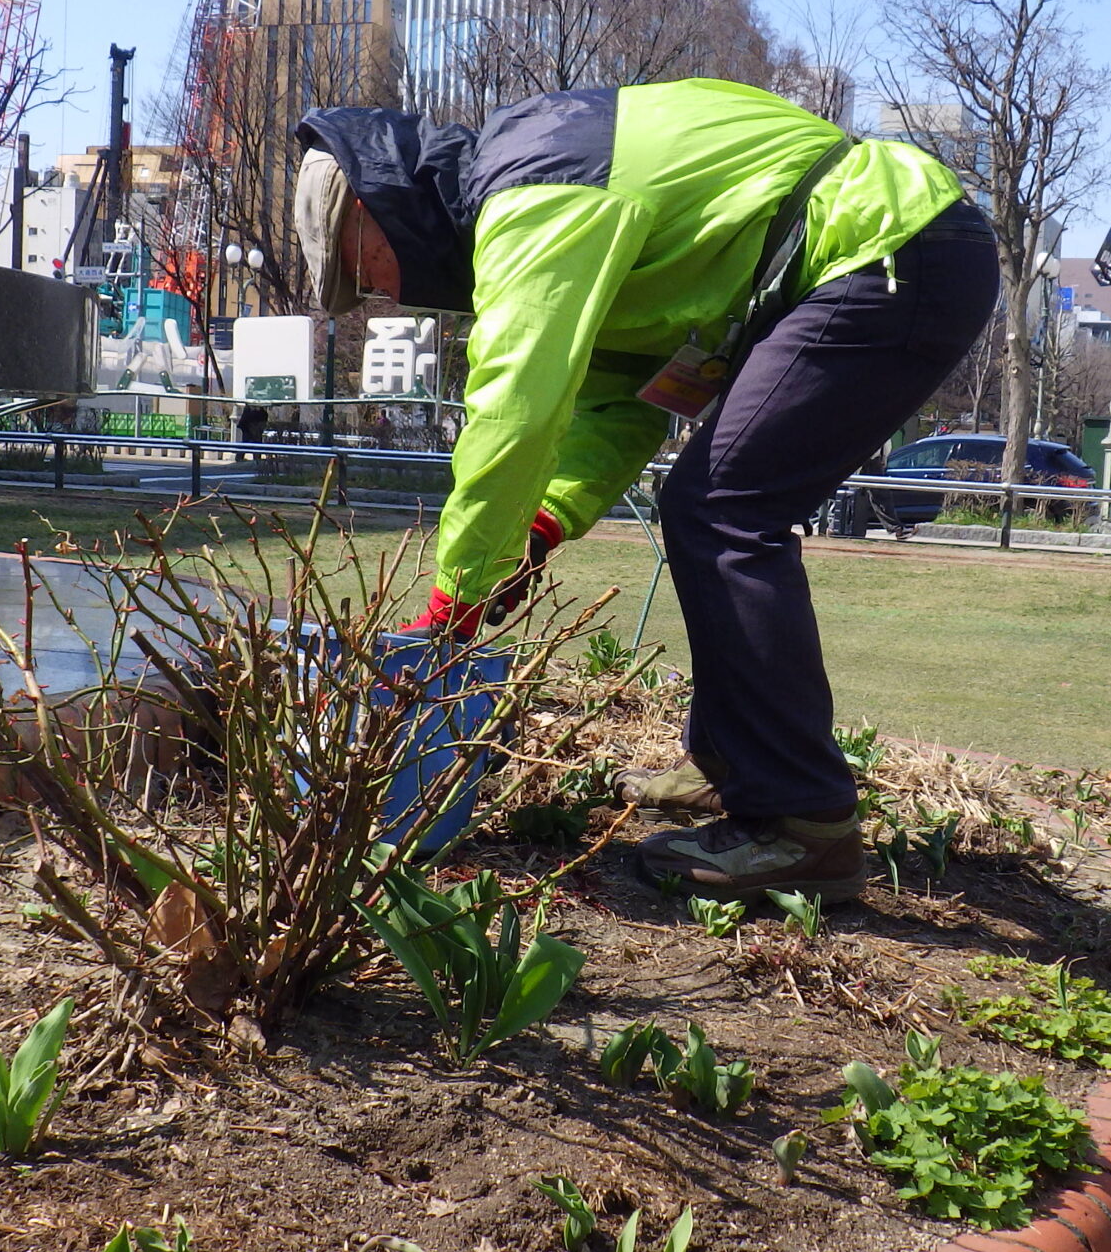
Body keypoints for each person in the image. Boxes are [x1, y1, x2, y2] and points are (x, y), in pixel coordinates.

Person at [292, 79, 993, 903]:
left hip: (889, 247)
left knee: (724, 510)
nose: (380, 293)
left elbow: (516, 407)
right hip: (884, 248)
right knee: (710, 502)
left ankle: (801, 823)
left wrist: (458, 595)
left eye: (360, 272)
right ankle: (737, 764)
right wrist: (543, 526)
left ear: (371, 211)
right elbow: (617, 406)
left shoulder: (529, 195)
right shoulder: (534, 176)